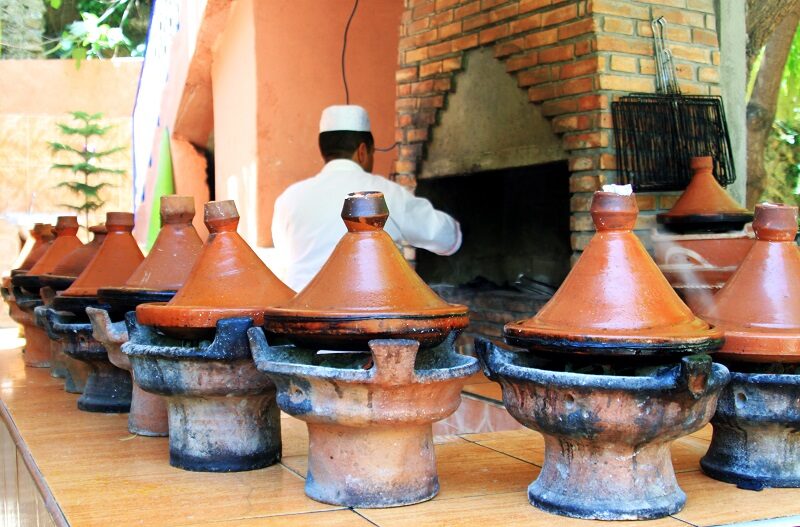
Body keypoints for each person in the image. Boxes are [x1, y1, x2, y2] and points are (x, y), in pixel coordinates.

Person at [272, 105, 462, 291]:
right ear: (363, 151)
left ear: (324, 150)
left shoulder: (288, 199)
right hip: (364, 317)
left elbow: (285, 263)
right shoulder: (381, 193)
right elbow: (445, 237)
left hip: (299, 315)